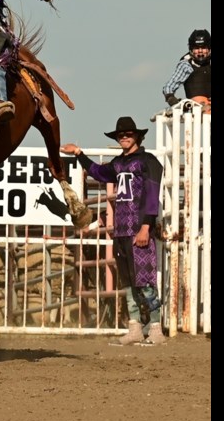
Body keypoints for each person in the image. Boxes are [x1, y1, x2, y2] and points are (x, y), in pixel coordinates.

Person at [60, 116, 166, 345]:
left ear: (137, 136)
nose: (124, 138)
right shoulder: (118, 164)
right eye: (121, 135)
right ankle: (135, 327)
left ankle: (156, 328)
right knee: (127, 281)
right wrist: (79, 154)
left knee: (145, 279)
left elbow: (151, 195)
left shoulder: (149, 162)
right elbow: (98, 172)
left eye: (128, 134)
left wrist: (146, 226)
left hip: (139, 228)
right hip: (121, 231)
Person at [162, 29, 211, 113]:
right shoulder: (186, 64)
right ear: (191, 49)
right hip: (196, 109)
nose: (200, 51)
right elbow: (168, 87)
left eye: (203, 47)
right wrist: (171, 99)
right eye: (196, 48)